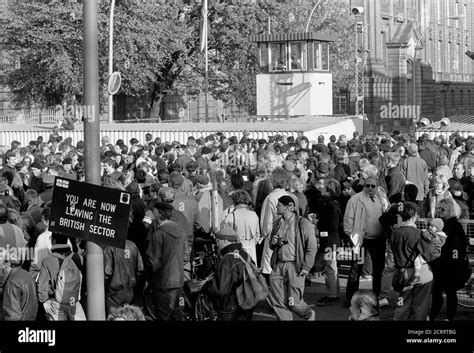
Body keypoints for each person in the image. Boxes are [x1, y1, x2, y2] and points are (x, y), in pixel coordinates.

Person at [268, 195, 317, 321]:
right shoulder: (277, 223)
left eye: (279, 205)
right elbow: (271, 245)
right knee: (278, 302)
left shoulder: (303, 224)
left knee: (294, 302)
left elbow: (312, 247)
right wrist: (274, 243)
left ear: (289, 206)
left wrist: (306, 267)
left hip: (295, 265)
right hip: (278, 265)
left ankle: (308, 314)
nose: (276, 207)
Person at [343, 176, 387, 305]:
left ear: (377, 186)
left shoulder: (382, 198)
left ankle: (376, 296)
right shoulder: (355, 200)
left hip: (378, 240)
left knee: (378, 270)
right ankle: (350, 298)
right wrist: (351, 236)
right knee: (356, 269)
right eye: (367, 185)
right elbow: (348, 220)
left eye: (373, 186)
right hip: (361, 240)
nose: (370, 188)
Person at [145, 202, 189, 321]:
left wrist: (149, 277)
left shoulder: (158, 234)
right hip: (178, 280)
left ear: (159, 213)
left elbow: (153, 261)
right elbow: (186, 256)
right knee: (176, 315)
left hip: (162, 282)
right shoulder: (181, 231)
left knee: (163, 315)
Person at [390, 203, 433, 321]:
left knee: (402, 303)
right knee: (420, 305)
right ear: (414, 216)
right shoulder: (418, 233)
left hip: (402, 271)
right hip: (421, 271)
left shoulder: (395, 232)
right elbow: (428, 253)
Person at [430, 198, 468, 321]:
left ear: (450, 210)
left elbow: (457, 247)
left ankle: (436, 317)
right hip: (447, 265)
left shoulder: (452, 226)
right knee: (446, 293)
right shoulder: (447, 224)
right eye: (438, 208)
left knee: (442, 293)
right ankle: (445, 317)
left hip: (448, 266)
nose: (439, 211)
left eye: (442, 209)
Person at [206, 226, 254, 321]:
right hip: (247, 303)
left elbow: (221, 289)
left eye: (218, 241)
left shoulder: (227, 259)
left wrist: (206, 286)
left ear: (224, 241)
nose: (217, 244)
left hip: (230, 307)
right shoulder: (246, 255)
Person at [37, 232, 86, 321]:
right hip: (73, 301)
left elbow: (42, 285)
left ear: (54, 241)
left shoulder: (47, 260)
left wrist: (44, 301)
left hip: (56, 302)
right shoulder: (77, 258)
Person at [103, 239, 144, 316]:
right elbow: (140, 268)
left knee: (114, 317)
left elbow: (107, 274)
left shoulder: (108, 247)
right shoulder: (132, 245)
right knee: (127, 316)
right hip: (129, 290)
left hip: (113, 293)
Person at [220, 190, 260, 264]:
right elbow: (257, 236)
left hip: (236, 251)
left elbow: (225, 237)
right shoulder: (254, 215)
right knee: (252, 271)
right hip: (251, 249)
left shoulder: (230, 217)